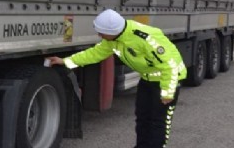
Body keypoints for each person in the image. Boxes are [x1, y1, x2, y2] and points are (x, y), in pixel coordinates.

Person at [47, 9, 186, 147]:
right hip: (147, 79)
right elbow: (94, 54)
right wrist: (65, 61)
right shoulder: (114, 39)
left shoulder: (146, 38)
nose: (99, 35)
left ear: (111, 32)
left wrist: (168, 92)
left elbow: (170, 65)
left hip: (167, 80)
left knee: (158, 121)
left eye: (101, 32)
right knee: (142, 118)